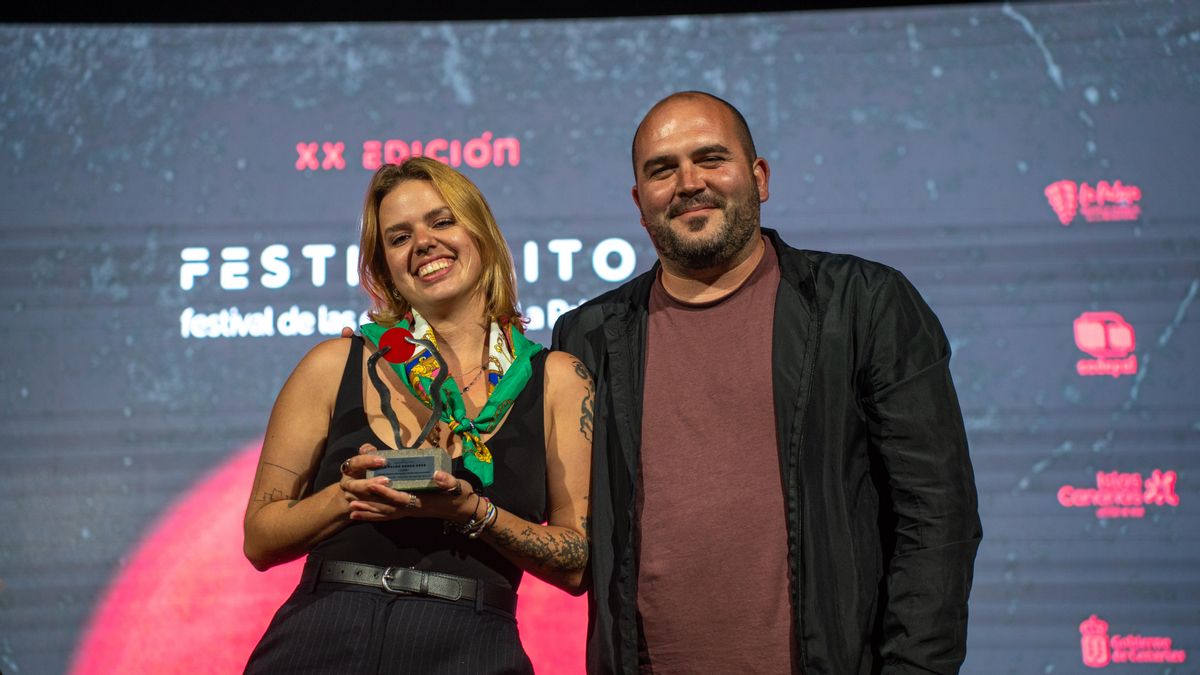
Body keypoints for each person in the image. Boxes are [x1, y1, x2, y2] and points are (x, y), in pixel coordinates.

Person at [551, 91, 982, 674]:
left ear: (759, 177)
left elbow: (937, 518)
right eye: (662, 169)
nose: (688, 182)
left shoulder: (864, 305)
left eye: (711, 158)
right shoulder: (589, 336)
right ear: (638, 201)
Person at [243, 157, 593, 674]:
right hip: (321, 640)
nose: (424, 242)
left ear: (481, 233)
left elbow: (576, 562)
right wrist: (347, 497)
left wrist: (473, 513)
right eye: (399, 237)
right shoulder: (333, 364)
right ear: (384, 268)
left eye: (442, 221)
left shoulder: (559, 378)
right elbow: (260, 538)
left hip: (471, 648)